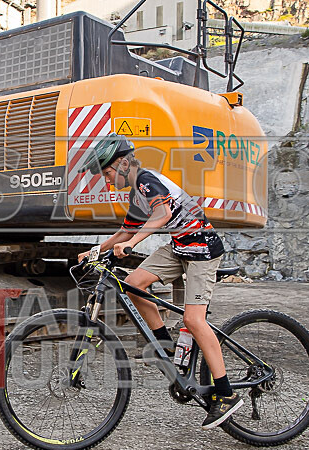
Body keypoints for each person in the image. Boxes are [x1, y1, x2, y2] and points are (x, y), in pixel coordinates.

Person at [77, 133, 243, 429]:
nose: (106, 179)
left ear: (124, 163)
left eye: (107, 172)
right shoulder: (135, 193)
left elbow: (162, 214)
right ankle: (165, 343)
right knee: (133, 282)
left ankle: (226, 394)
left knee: (194, 321)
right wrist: (94, 251)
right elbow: (125, 232)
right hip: (179, 246)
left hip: (202, 249)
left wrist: (135, 242)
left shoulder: (147, 179)